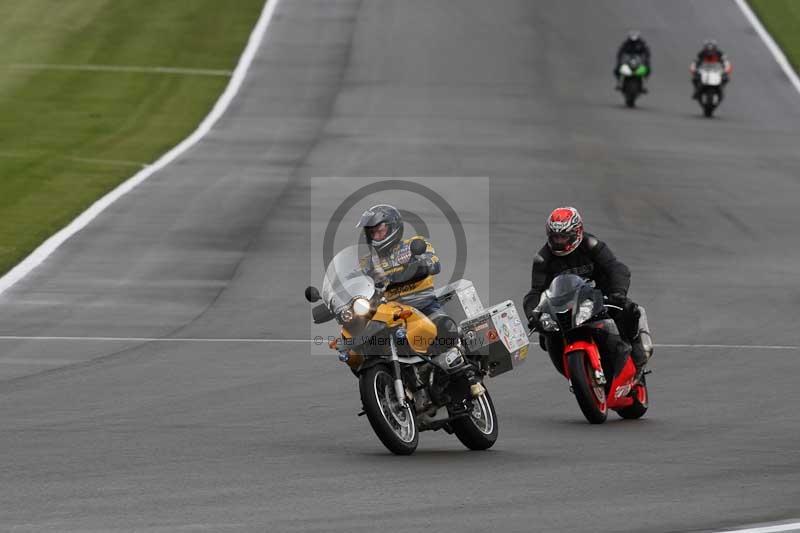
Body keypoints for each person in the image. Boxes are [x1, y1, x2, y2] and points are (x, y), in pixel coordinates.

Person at [522, 207, 652, 375]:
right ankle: (573, 373)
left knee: (627, 309)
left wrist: (618, 293)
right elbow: (535, 292)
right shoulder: (542, 259)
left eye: (563, 236)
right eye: (555, 237)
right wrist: (534, 314)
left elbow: (616, 268)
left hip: (600, 297)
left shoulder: (591, 245)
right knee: (545, 336)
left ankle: (638, 351)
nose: (559, 241)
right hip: (566, 305)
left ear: (577, 233)